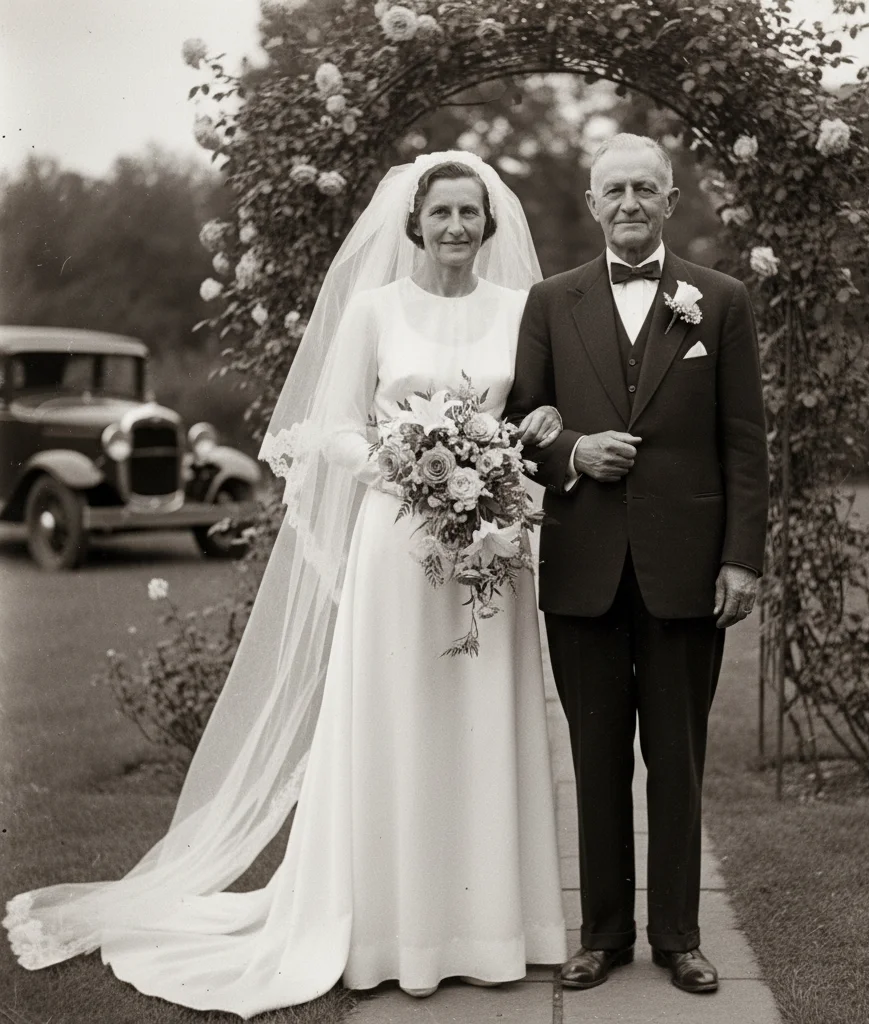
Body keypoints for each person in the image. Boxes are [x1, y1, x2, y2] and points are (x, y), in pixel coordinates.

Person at [3, 152, 568, 1016]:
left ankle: (493, 931)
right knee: (398, 716)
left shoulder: (523, 310)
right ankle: (392, 933)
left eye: (471, 213)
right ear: (415, 222)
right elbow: (331, 430)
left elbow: (541, 410)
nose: (457, 226)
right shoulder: (376, 312)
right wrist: (409, 464)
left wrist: (509, 447)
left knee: (484, 715)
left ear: (490, 226)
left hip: (484, 546)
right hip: (397, 540)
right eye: (442, 212)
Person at [505, 133, 769, 995]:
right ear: (591, 203)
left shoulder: (719, 300)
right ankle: (604, 936)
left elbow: (744, 443)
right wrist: (576, 452)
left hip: (687, 568)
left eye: (644, 189)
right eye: (613, 189)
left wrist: (741, 560)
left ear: (670, 198)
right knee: (594, 757)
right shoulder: (551, 300)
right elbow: (522, 426)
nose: (628, 203)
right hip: (584, 566)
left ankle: (681, 937)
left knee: (678, 759)